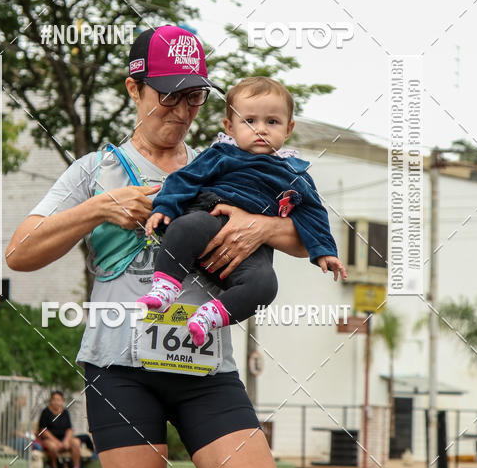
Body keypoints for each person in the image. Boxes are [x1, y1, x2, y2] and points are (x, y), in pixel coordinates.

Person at [7, 23, 340, 468]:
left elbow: (306, 228)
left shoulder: (228, 157)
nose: (183, 109)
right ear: (134, 88)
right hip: (120, 368)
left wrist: (261, 228)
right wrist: (99, 209)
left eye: (194, 97)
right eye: (169, 94)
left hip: (206, 364)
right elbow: (19, 252)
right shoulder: (94, 169)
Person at [138, 75, 346, 346]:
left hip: (250, 251)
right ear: (230, 127)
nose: (261, 129)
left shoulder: (294, 173)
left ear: (288, 128)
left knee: (266, 285)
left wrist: (326, 251)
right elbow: (185, 178)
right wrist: (164, 206)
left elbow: (313, 213)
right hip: (210, 218)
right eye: (250, 121)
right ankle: (165, 288)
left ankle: (209, 317)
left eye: (272, 122)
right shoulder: (221, 154)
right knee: (185, 227)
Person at [37, 390, 85, 468]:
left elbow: (69, 429)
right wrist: (57, 442)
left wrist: (66, 441)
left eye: (58, 400)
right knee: (52, 446)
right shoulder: (45, 412)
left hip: (63, 438)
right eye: (54, 399)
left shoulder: (65, 412)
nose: (56, 402)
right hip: (50, 439)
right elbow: (43, 431)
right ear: (51, 400)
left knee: (76, 442)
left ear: (62, 401)